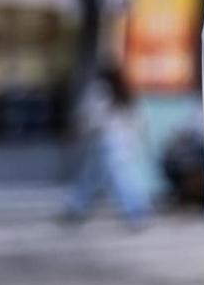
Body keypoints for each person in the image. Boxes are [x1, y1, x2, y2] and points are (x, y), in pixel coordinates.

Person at [63, 66, 152, 225]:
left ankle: (136, 209)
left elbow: (91, 116)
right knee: (94, 175)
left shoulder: (100, 90)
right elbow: (139, 119)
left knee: (119, 178)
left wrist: (79, 130)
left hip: (107, 142)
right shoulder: (126, 93)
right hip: (125, 142)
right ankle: (77, 206)